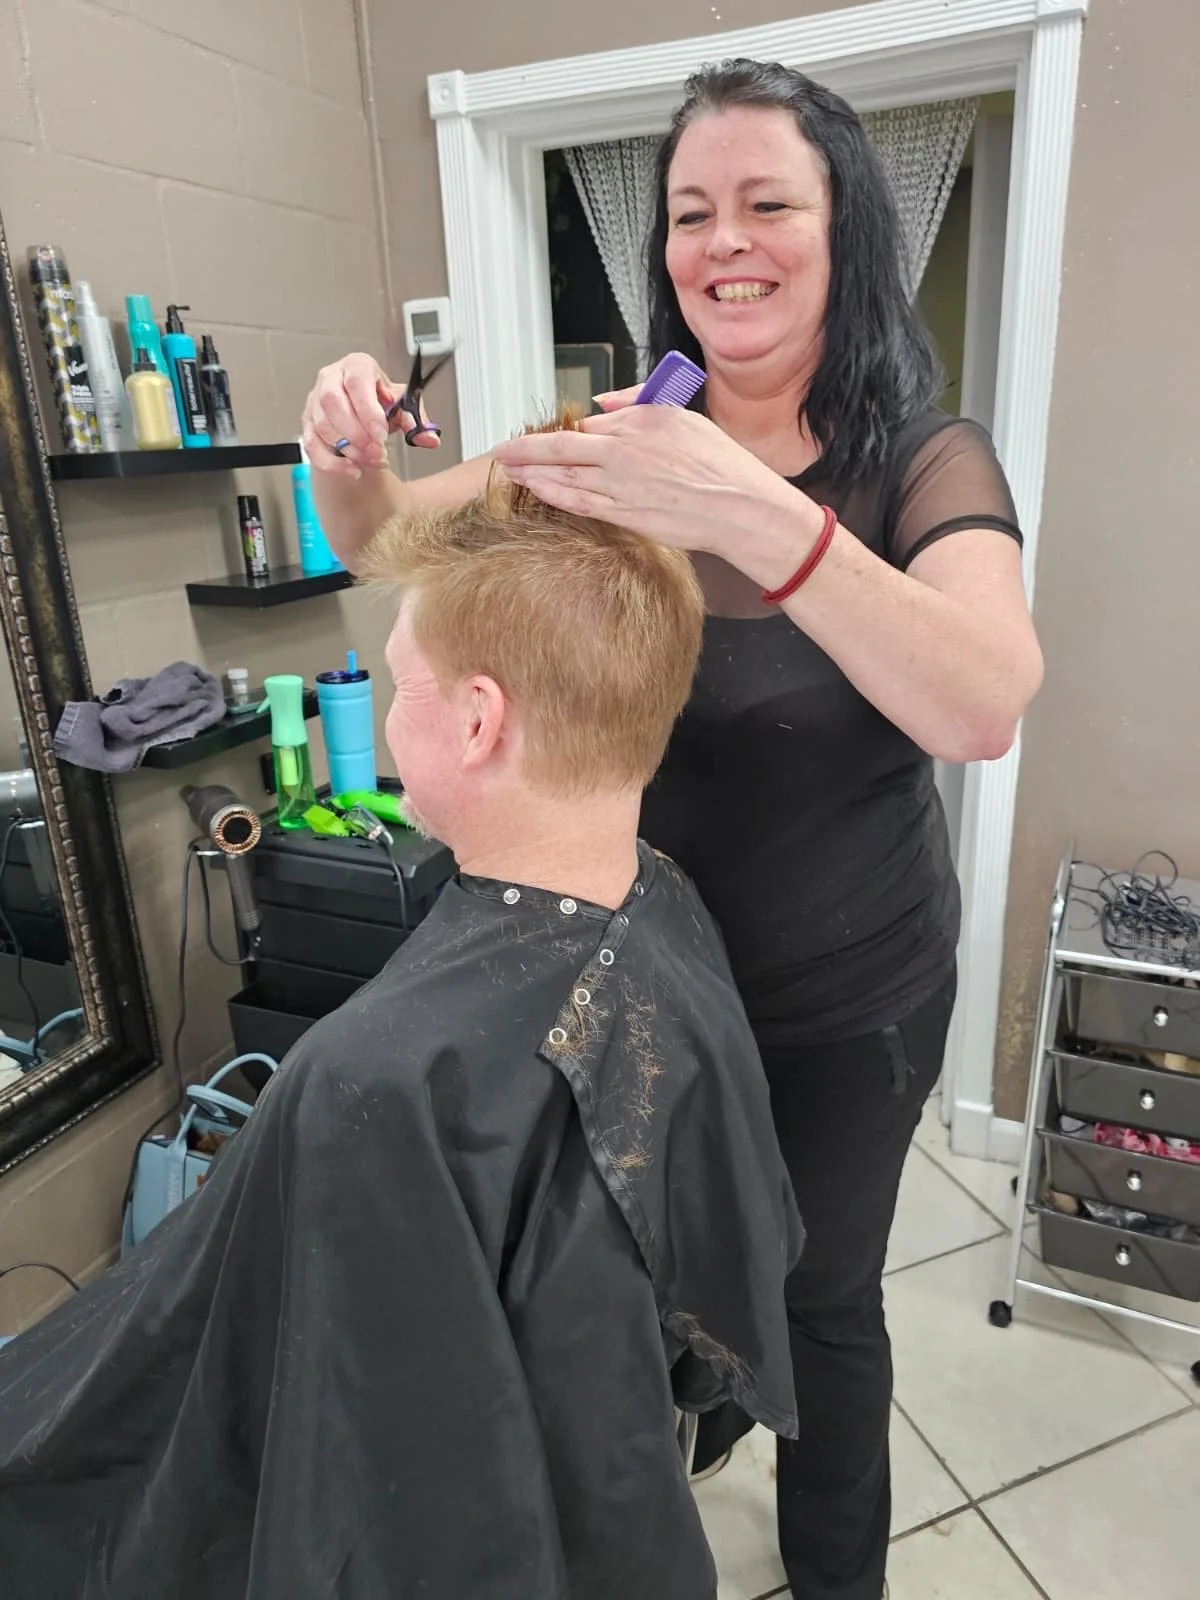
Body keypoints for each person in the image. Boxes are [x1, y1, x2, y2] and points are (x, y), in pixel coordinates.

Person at [300, 60, 1044, 1600]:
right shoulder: (614, 438)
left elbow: (982, 703)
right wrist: (350, 462)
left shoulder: (923, 458)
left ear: (846, 234)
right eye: (693, 213)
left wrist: (749, 510)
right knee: (641, 1283)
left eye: (770, 202)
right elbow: (394, 543)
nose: (726, 242)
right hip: (636, 985)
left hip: (850, 1002)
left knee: (823, 1305)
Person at [0, 439, 802, 1600]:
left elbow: (378, 1501)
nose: (382, 721)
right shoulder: (663, 901)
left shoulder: (372, 1086)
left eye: (396, 682)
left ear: (478, 720)